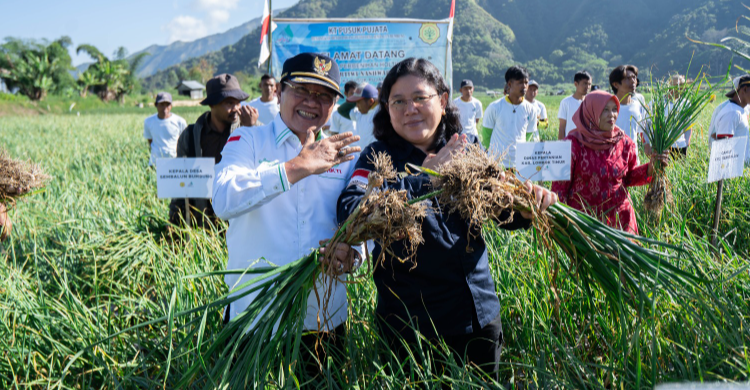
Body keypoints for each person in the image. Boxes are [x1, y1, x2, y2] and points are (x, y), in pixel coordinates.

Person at [337, 58, 556, 381]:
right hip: (410, 327)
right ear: (387, 108)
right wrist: (430, 177)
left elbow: (501, 212)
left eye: (419, 98)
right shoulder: (377, 157)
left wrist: (525, 208)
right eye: (398, 101)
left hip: (477, 316)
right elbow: (351, 210)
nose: (409, 108)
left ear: (441, 100)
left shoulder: (468, 149)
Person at [212, 53, 363, 379]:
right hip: (254, 316)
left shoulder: (346, 155)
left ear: (334, 105)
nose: (312, 102)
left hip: (322, 316)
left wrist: (354, 254)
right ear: (280, 91)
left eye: (324, 95)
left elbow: (357, 224)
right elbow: (222, 200)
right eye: (302, 90)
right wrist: (295, 168)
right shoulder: (248, 140)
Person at [551, 90, 669, 234]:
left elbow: (629, 178)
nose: (612, 115)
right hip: (584, 223)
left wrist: (650, 168)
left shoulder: (624, 142)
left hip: (621, 221)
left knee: (624, 257)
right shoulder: (571, 145)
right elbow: (559, 190)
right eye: (605, 110)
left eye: (614, 109)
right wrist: (561, 225)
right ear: (591, 111)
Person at [168, 73, 258, 226]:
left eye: (238, 103)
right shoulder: (190, 136)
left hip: (241, 222)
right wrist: (174, 221)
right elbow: (181, 183)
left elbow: (263, 167)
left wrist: (251, 130)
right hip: (203, 221)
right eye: (229, 103)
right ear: (212, 104)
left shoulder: (249, 128)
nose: (236, 108)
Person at [482, 65, 539, 168]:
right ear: (509, 84)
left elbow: (528, 135)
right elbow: (486, 135)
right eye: (520, 83)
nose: (524, 86)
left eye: (526, 83)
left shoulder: (531, 110)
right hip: (497, 164)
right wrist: (494, 156)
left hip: (519, 164)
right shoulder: (495, 107)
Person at [708, 75, 750, 166]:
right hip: (735, 170)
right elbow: (723, 147)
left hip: (741, 168)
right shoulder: (732, 112)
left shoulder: (739, 110)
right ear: (745, 89)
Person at [610, 65, 647, 159]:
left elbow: (641, 131)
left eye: (634, 77)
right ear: (616, 84)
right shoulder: (607, 107)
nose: (633, 81)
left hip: (633, 160)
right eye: (627, 78)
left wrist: (647, 146)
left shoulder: (638, 105)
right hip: (613, 160)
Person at [143, 92, 187, 167]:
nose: (165, 108)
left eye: (167, 105)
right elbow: (150, 141)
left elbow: (185, 142)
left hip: (175, 161)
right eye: (162, 105)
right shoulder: (149, 121)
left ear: (171, 106)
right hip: (155, 162)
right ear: (156, 105)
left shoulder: (180, 121)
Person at [338, 82, 380, 149]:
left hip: (380, 157)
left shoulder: (380, 111)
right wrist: (358, 98)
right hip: (364, 155)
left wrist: (378, 99)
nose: (356, 106)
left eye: (358, 102)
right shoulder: (359, 114)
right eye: (356, 102)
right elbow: (341, 110)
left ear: (371, 102)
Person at [558, 70, 592, 140]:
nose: (587, 87)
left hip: (587, 143)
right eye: (584, 83)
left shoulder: (591, 103)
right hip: (571, 143)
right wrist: (560, 146)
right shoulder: (566, 102)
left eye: (589, 84)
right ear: (576, 84)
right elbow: (562, 127)